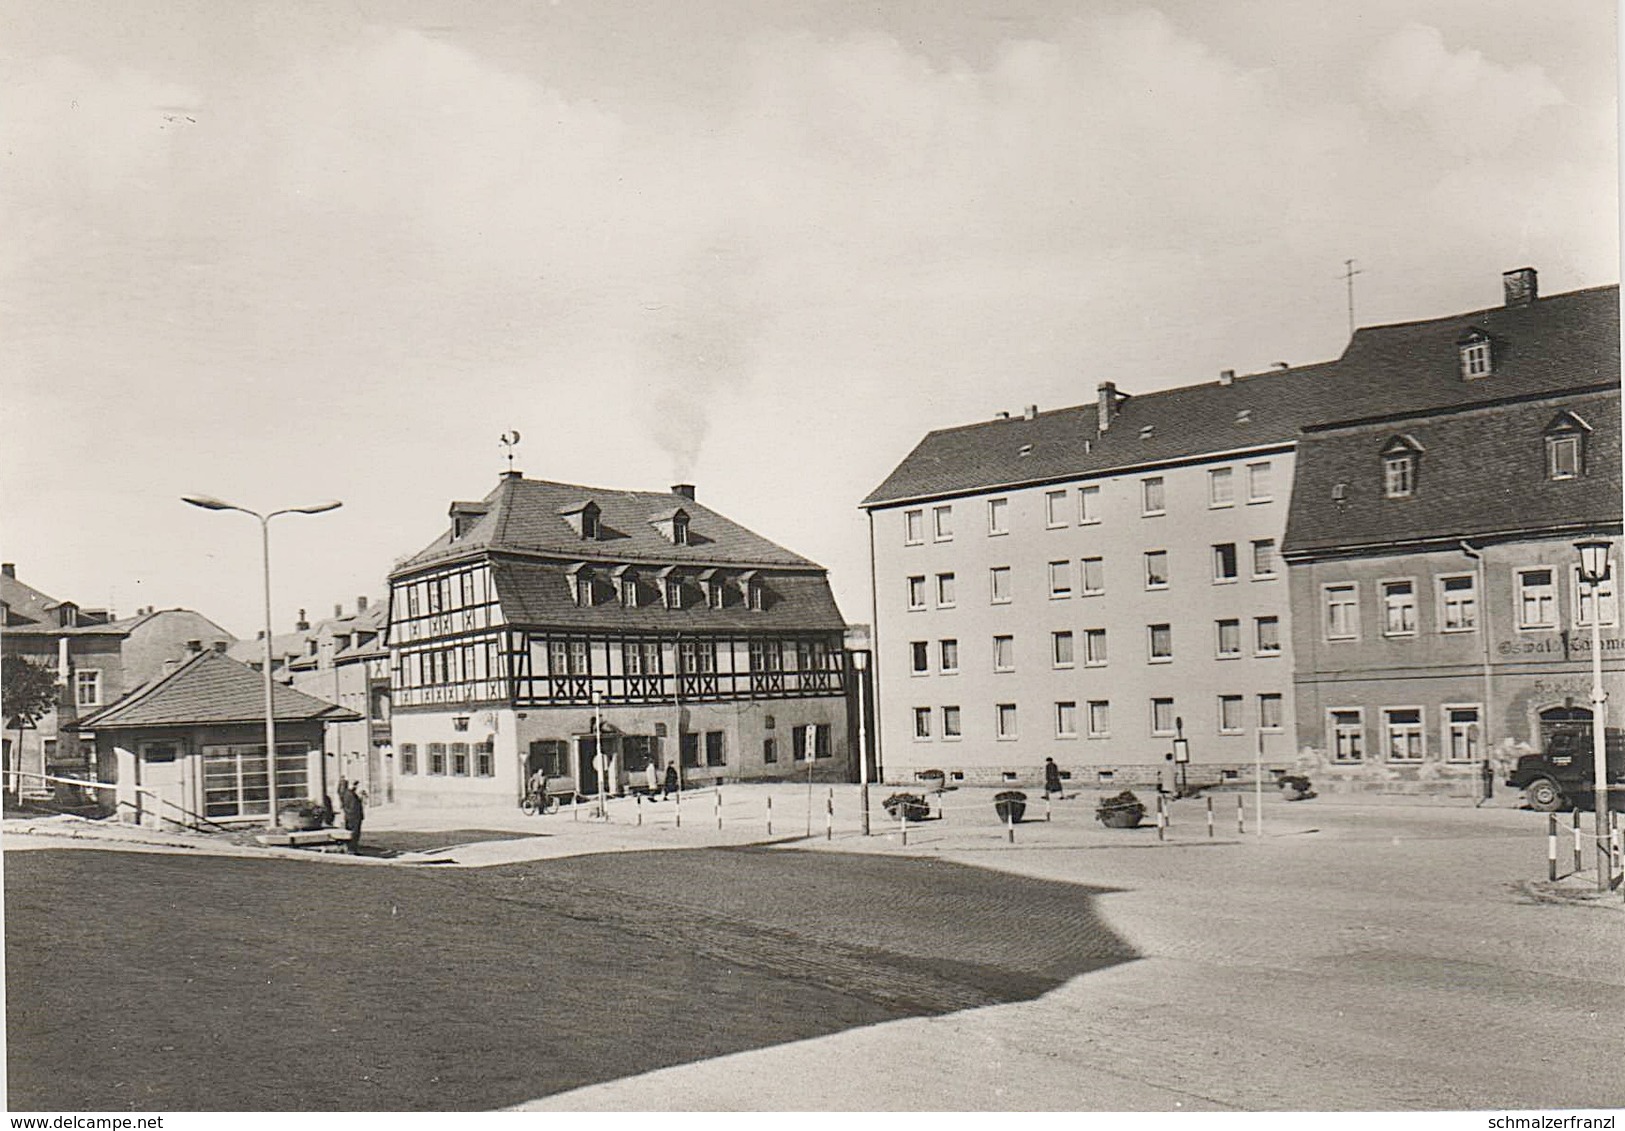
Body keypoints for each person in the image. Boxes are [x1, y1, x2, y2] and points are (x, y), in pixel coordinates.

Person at [338, 777, 365, 854]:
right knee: (354, 834)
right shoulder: (350, 795)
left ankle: (352, 849)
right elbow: (354, 807)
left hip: (350, 817)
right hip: (354, 817)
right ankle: (352, 850)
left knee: (353, 833)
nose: (355, 787)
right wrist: (360, 799)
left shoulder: (347, 794)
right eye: (354, 784)